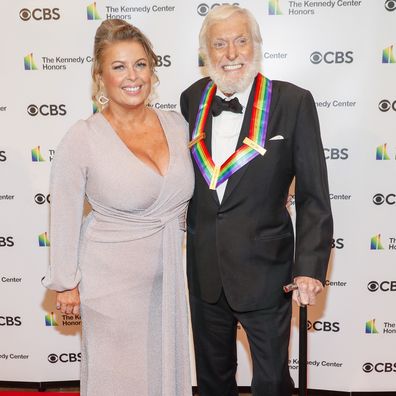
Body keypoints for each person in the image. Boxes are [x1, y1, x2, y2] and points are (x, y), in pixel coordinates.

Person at [180, 5, 333, 396]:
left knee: (272, 382)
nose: (231, 53)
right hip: (205, 274)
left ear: (257, 45)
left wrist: (310, 268)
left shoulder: (293, 102)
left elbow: (314, 197)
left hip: (267, 276)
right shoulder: (191, 99)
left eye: (240, 40)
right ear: (206, 54)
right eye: (219, 44)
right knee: (212, 383)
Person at [42, 19, 193, 396]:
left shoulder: (178, 125)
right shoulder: (84, 137)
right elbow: (62, 213)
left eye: (140, 64)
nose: (133, 76)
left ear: (153, 69)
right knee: (119, 382)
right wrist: (66, 285)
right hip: (110, 286)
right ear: (99, 75)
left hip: (168, 281)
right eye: (119, 66)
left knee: (163, 375)